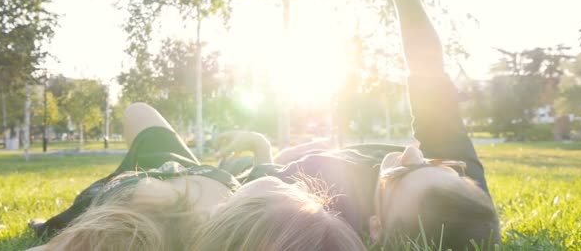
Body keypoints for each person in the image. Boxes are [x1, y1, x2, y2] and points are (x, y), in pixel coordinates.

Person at [216, 0, 500, 250]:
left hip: (244, 171)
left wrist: (261, 148)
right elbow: (428, 68)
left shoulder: (325, 209)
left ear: (375, 230)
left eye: (401, 175)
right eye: (436, 163)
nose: (413, 153)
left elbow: (254, 192)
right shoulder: (460, 198)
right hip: (320, 156)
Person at [28, 103, 366, 251]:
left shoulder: (145, 220)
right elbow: (267, 171)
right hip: (191, 168)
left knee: (137, 111)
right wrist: (257, 143)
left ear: (244, 222)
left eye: (305, 199)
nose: (305, 188)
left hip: (153, 171)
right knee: (138, 111)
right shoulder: (253, 208)